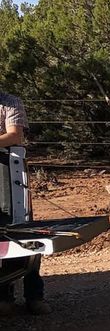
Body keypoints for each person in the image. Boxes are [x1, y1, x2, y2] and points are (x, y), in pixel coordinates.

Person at [0, 90, 48, 315]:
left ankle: (34, 295)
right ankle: (4, 296)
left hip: (8, 176)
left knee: (22, 233)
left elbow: (14, 136)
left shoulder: (10, 102)